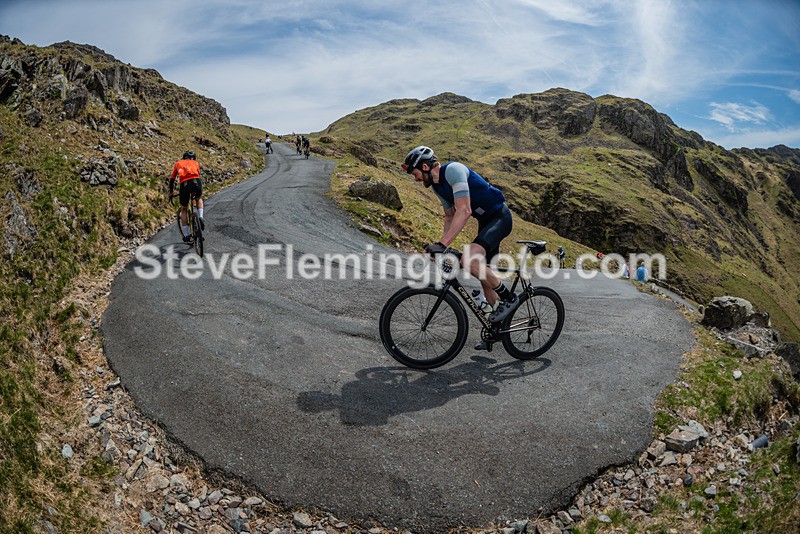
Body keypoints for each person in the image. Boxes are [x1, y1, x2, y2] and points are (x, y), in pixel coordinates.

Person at [403, 146, 517, 347]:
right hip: (485, 223)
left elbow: (464, 211)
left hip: (500, 218)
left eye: (416, 174)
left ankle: (508, 297)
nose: (417, 179)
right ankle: (498, 330)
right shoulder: (438, 187)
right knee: (484, 278)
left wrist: (442, 244)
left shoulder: (453, 170)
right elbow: (449, 216)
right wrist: (441, 247)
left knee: (469, 259)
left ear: (425, 166)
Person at [169, 150, 203, 242]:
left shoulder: (178, 163)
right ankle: (200, 217)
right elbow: (197, 175)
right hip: (197, 182)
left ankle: (187, 235)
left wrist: (171, 193)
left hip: (185, 184)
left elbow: (172, 179)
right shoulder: (196, 163)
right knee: (198, 198)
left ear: (184, 157)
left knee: (183, 209)